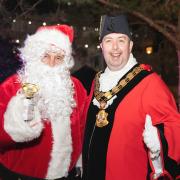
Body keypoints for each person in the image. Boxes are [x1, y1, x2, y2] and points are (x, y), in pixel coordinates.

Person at [82, 14, 180, 180]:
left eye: (121, 40)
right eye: (108, 41)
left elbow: (175, 127)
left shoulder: (150, 83)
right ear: (101, 46)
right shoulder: (98, 80)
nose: (115, 48)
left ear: (130, 45)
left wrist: (159, 141)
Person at [0, 24, 87, 180]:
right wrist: (18, 125)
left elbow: (83, 127)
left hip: (67, 175)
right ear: (35, 55)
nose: (52, 63)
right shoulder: (12, 86)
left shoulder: (76, 87)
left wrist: (80, 160)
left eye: (58, 57)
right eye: (46, 55)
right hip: (20, 175)